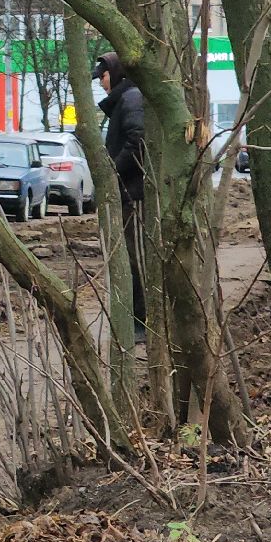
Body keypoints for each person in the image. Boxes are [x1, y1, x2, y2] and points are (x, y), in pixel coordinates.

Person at [94, 52, 147, 336]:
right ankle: (137, 319)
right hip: (128, 192)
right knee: (129, 258)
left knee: (136, 258)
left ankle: (142, 322)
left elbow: (137, 141)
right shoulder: (127, 100)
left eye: (102, 77)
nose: (101, 83)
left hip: (134, 194)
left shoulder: (131, 99)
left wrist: (111, 172)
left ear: (114, 74)